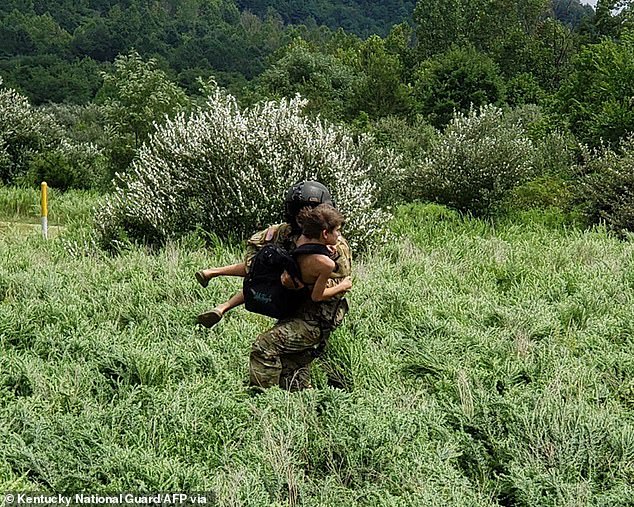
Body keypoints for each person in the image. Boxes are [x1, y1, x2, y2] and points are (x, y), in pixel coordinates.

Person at [196, 180, 353, 391]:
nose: (303, 216)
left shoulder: (334, 244)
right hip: (292, 310)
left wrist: (299, 281)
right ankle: (298, 407)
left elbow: (333, 282)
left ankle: (263, 400)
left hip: (315, 318)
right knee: (291, 373)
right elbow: (255, 248)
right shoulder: (286, 233)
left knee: (265, 347)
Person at [195, 180, 340, 328]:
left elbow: (255, 241)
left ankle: (217, 289)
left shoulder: (284, 230)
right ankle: (221, 299)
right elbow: (330, 282)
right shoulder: (328, 240)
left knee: (257, 274)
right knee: (267, 277)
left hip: (270, 264)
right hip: (296, 288)